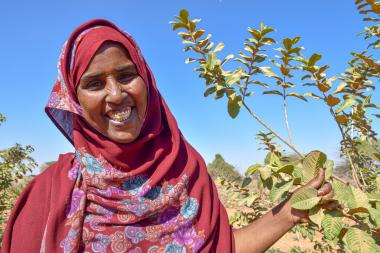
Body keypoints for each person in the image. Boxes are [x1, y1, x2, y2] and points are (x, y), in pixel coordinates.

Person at [1, 19, 333, 253]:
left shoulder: (185, 169)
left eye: (126, 75)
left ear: (146, 79)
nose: (116, 95)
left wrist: (290, 211)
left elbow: (220, 248)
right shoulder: (51, 192)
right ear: (74, 100)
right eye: (94, 83)